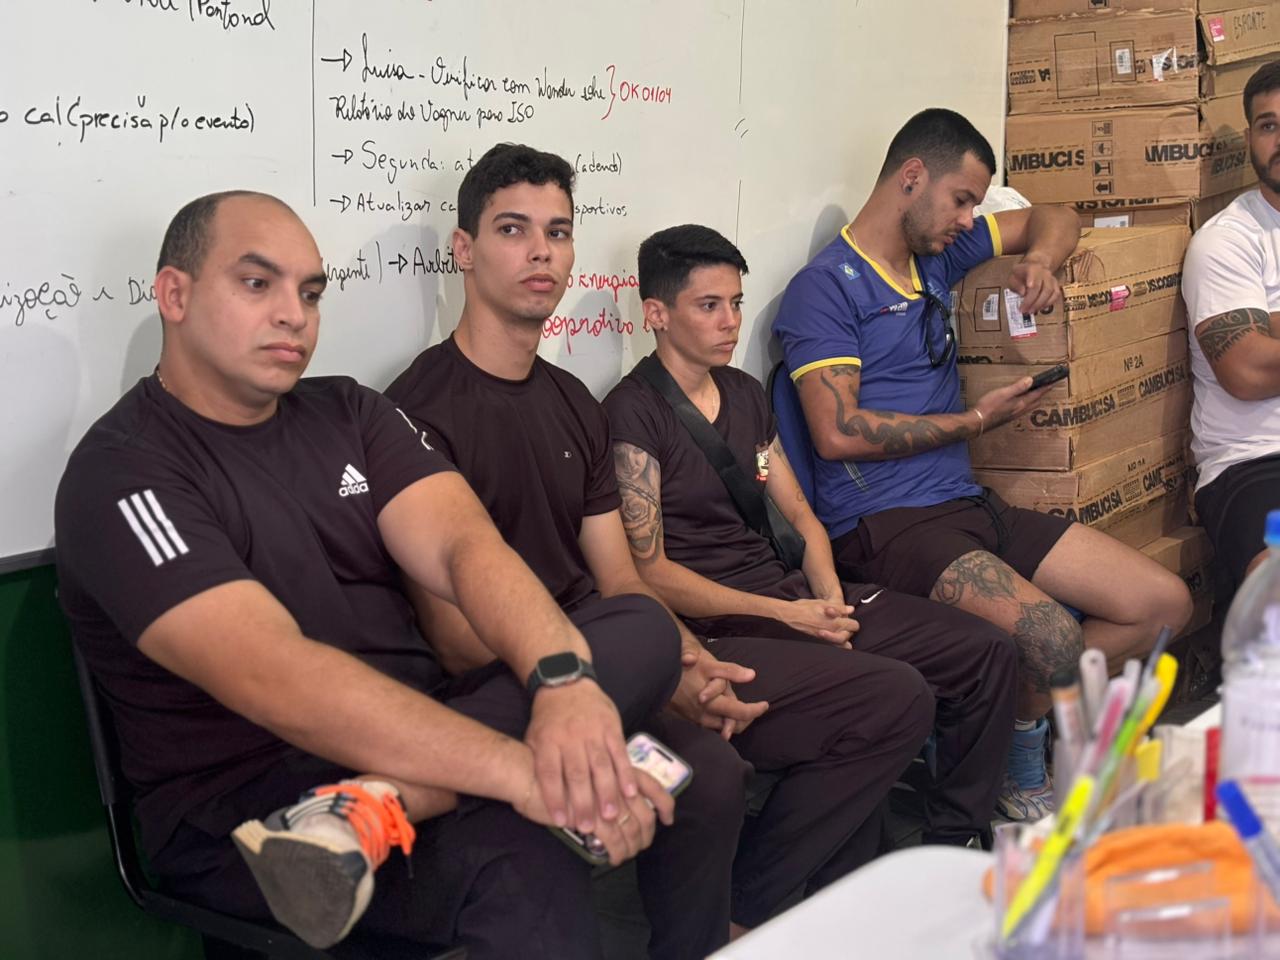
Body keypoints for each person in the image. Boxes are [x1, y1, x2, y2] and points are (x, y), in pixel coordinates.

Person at [55, 190, 746, 960]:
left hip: (422, 730)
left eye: (310, 293)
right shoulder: (123, 474)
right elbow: (278, 677)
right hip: (254, 806)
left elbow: (465, 547)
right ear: (174, 295)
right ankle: (365, 811)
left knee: (645, 634)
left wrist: (565, 686)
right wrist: (523, 772)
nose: (293, 315)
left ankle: (377, 805)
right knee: (522, 860)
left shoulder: (349, 410)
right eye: (257, 284)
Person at [385, 143, 933, 934]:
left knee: (863, 710)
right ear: (464, 251)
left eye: (557, 231)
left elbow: (622, 580)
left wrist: (688, 663)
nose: (541, 251)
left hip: (622, 659)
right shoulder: (415, 410)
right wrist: (637, 672)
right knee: (703, 771)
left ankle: (740, 929)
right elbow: (456, 638)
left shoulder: (573, 402)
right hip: (509, 690)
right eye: (513, 229)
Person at [772, 108, 1193, 820]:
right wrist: (972, 422)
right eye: (962, 199)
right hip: (885, 524)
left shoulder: (936, 256)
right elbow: (837, 433)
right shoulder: (827, 288)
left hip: (965, 503)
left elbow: (1056, 216)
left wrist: (1040, 261)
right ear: (912, 177)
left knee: (1162, 606)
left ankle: (1006, 724)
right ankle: (1015, 763)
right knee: (1051, 637)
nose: (971, 218)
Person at [605, 222, 1021, 857]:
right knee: (892, 694)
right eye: (709, 306)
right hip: (723, 621)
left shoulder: (744, 393)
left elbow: (800, 515)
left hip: (795, 595)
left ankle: (955, 838)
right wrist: (786, 614)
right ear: (656, 314)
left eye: (736, 303)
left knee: (987, 651)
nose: (730, 322)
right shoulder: (633, 411)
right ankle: (768, 885)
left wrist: (829, 601)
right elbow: (649, 570)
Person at [1183, 59, 1280, 595]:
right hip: (1257, 461)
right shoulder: (1228, 241)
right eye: (1268, 125)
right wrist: (1260, 339)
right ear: (1250, 139)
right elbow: (1246, 370)